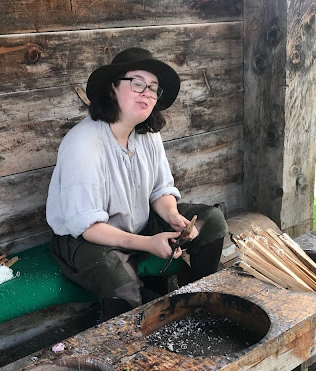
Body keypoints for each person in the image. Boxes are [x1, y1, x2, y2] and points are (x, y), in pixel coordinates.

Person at [46, 47, 229, 319]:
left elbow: (160, 191)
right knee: (120, 281)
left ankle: (200, 302)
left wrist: (173, 216)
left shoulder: (147, 135)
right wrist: (148, 244)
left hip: (139, 223)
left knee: (211, 220)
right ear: (112, 88)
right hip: (86, 240)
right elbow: (88, 227)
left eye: (153, 88)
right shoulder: (83, 143)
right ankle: (124, 338)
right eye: (137, 83)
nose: (147, 93)